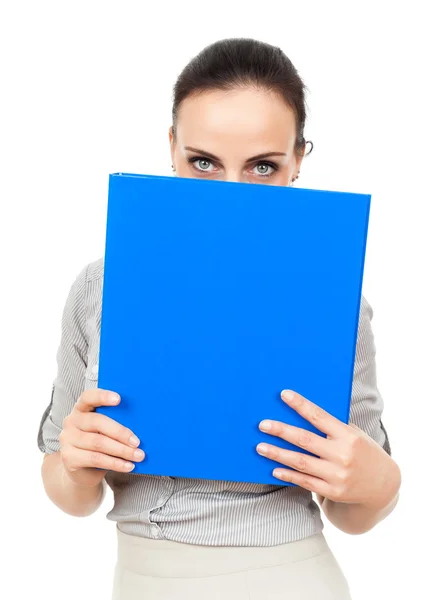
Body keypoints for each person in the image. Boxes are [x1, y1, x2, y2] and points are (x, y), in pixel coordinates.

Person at [38, 38, 401, 599]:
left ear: (299, 159)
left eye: (262, 166)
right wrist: (75, 464)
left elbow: (351, 514)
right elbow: (70, 494)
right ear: (172, 148)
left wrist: (381, 485)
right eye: (203, 162)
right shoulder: (100, 286)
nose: (231, 194)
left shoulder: (333, 301)